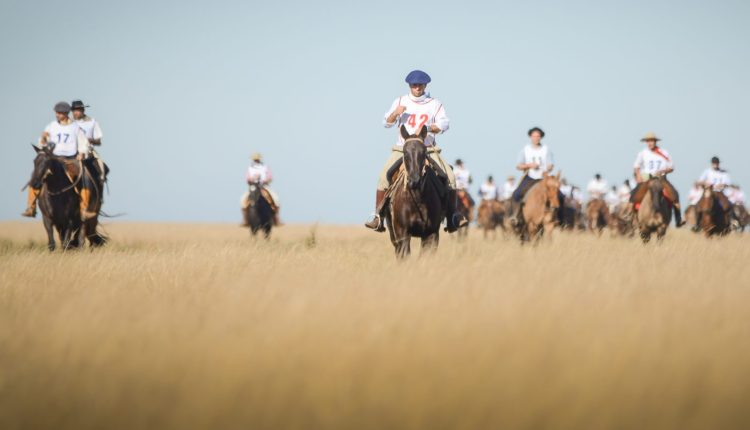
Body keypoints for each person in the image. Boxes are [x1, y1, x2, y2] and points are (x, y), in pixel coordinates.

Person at [364, 70, 466, 232]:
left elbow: (444, 124)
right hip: (402, 149)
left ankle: (453, 216)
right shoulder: (400, 101)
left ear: (425, 85)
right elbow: (386, 123)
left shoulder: (434, 104)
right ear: (409, 86)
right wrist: (395, 113)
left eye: (420, 85)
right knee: (383, 176)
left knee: (450, 176)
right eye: (414, 85)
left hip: (427, 149)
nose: (417, 87)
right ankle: (378, 216)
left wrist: (428, 127)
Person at [22, 102, 92, 219]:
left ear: (66, 113)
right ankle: (31, 207)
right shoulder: (51, 126)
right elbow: (42, 143)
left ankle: (84, 209)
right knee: (37, 175)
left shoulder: (75, 128)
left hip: (70, 159)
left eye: (60, 113)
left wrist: (81, 152)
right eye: (56, 112)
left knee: (84, 177)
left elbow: (83, 142)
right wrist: (43, 139)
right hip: (53, 158)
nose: (57, 115)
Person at [630, 132, 684, 226]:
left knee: (674, 194)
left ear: (655, 142)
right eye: (648, 141)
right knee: (633, 195)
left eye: (651, 141)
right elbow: (636, 166)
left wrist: (663, 170)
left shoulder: (664, 152)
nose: (649, 143)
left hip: (661, 179)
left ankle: (678, 218)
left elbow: (671, 167)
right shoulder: (643, 153)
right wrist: (638, 176)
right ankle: (632, 218)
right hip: (647, 179)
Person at [507, 127, 559, 225]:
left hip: (544, 178)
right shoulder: (525, 150)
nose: (536, 138)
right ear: (530, 137)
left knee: (559, 195)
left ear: (541, 137)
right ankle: (515, 215)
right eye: (534, 136)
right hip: (531, 177)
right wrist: (529, 165)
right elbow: (518, 166)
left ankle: (558, 218)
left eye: (538, 136)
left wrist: (549, 167)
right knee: (516, 194)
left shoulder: (546, 149)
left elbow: (551, 164)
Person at [243, 153, 281, 226]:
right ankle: (246, 219)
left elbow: (270, 177)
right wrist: (252, 179)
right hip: (253, 186)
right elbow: (247, 178)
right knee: (243, 200)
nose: (256, 160)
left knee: (276, 199)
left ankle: (276, 218)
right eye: (255, 159)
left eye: (257, 159)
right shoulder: (250, 168)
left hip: (264, 186)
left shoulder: (265, 167)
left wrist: (264, 180)